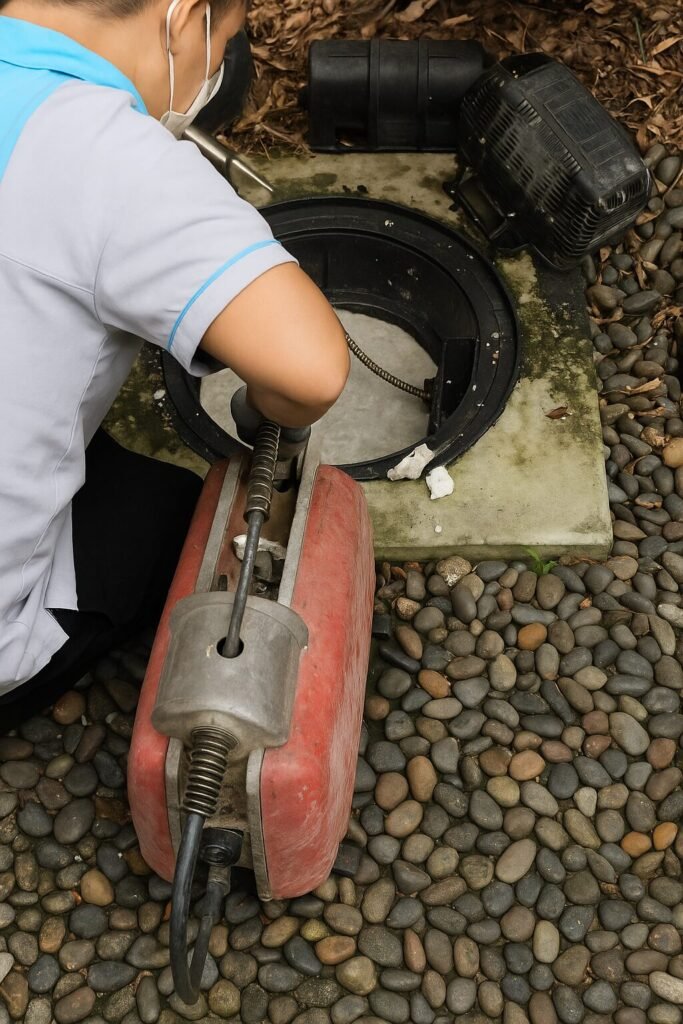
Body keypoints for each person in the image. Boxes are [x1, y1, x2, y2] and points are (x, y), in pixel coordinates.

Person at [0, 0, 350, 728]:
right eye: (222, 42)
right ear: (181, 18)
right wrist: (263, 412)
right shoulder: (109, 156)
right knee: (166, 512)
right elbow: (309, 370)